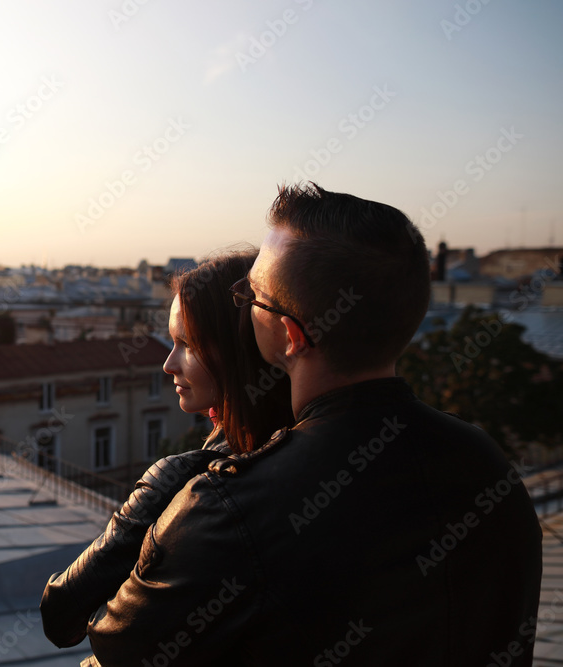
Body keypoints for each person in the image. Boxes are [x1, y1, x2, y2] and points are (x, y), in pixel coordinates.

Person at [82, 183, 543, 666]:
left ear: (289, 334)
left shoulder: (229, 508)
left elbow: (114, 647)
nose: (243, 303)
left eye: (251, 295)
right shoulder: (488, 465)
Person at [40, 251, 293, 650]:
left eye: (186, 344)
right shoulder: (313, 444)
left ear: (236, 350)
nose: (168, 364)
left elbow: (59, 615)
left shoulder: (181, 481)